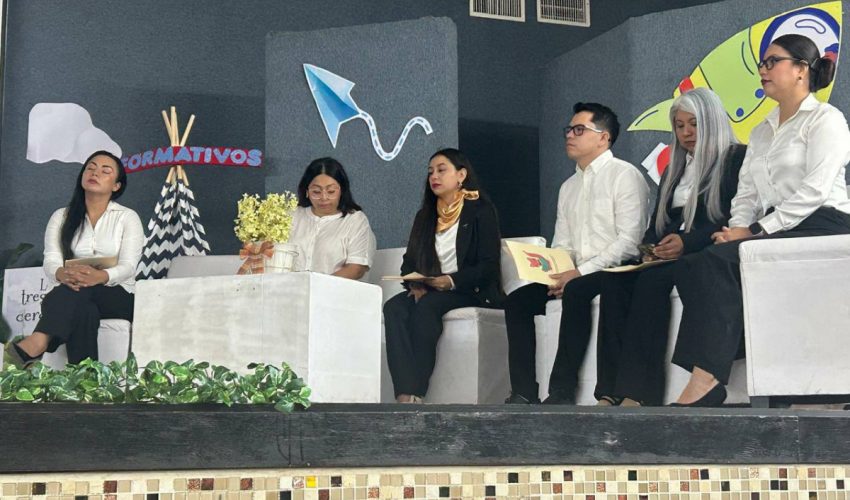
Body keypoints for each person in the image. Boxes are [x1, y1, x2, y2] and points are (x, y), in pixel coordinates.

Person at [671, 34, 850, 407]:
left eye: (772, 62)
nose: (763, 71)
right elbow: (747, 195)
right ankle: (728, 361)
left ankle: (706, 380)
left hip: (823, 222)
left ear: (801, 69)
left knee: (717, 262)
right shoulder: (761, 130)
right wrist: (735, 230)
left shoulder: (826, 119)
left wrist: (753, 231)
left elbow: (815, 191)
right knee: (693, 264)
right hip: (777, 227)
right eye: (761, 64)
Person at [594, 87, 745, 406]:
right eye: (679, 125)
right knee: (615, 281)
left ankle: (639, 393)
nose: (686, 132)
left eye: (694, 124)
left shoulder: (735, 158)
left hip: (705, 250)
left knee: (651, 283)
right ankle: (610, 390)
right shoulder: (674, 169)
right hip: (670, 253)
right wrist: (650, 249)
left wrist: (686, 243)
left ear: (712, 121)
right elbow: (657, 225)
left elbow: (736, 218)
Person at [504, 102, 649, 404]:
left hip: (616, 270)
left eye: (579, 129)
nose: (570, 135)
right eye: (569, 129)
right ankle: (523, 392)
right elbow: (563, 243)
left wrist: (578, 273)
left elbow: (629, 242)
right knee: (518, 300)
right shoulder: (568, 187)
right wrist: (555, 272)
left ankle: (562, 390)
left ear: (603, 137)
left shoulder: (625, 175)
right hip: (575, 272)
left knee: (577, 289)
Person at [3, 150, 143, 368]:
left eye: (105, 171)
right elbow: (51, 260)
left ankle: (37, 342)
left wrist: (100, 276)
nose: (95, 173)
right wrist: (61, 273)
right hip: (74, 290)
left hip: (117, 295)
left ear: (116, 185)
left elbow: (129, 266)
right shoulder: (61, 216)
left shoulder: (127, 217)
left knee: (73, 293)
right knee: (83, 307)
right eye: (90, 168)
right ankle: (86, 378)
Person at [384, 148, 502, 403]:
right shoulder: (425, 215)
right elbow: (408, 263)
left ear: (461, 175)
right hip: (430, 289)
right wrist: (416, 285)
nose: (434, 177)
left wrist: (450, 281)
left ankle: (416, 391)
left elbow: (489, 266)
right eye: (430, 173)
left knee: (428, 306)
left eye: (441, 170)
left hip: (468, 289)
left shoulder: (480, 210)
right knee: (394, 307)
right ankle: (404, 394)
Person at [289, 157, 376, 280]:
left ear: (342, 190)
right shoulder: (292, 215)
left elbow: (356, 269)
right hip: (290, 288)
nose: (324, 198)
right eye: (316, 192)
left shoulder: (355, 220)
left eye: (331, 191)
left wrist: (318, 285)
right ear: (306, 191)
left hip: (334, 289)